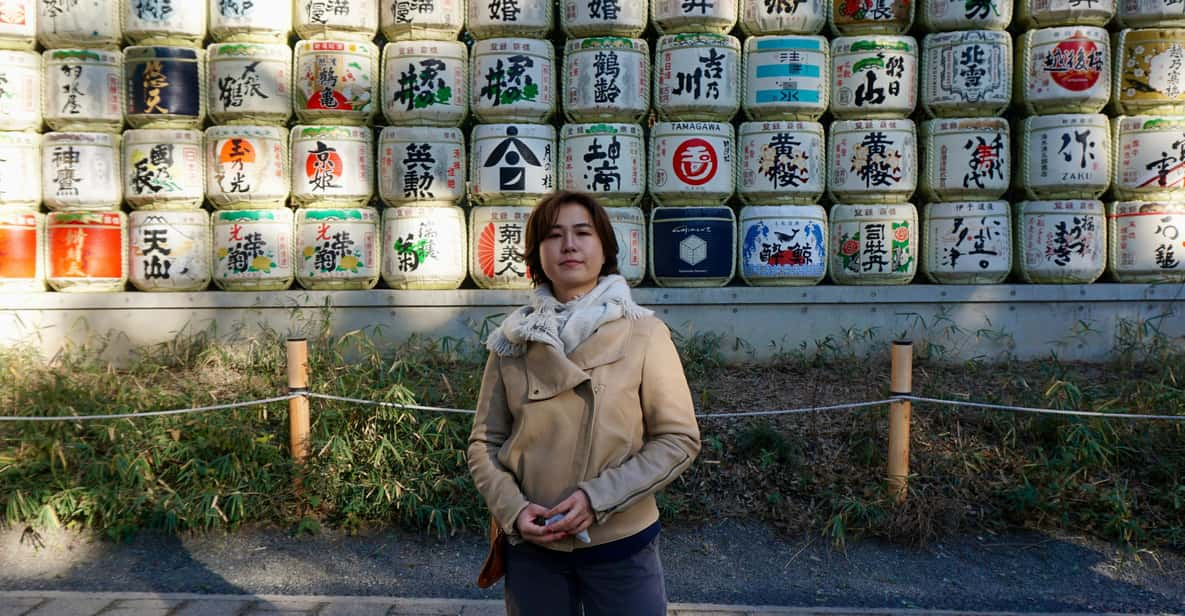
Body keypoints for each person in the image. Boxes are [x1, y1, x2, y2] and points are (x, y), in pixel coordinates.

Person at [467, 191, 702, 615]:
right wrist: (514, 511)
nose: (569, 245)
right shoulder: (512, 339)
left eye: (582, 233)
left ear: (605, 247)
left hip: (621, 543)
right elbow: (484, 443)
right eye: (554, 235)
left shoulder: (644, 334)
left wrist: (597, 499)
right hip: (534, 545)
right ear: (538, 254)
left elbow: (677, 439)